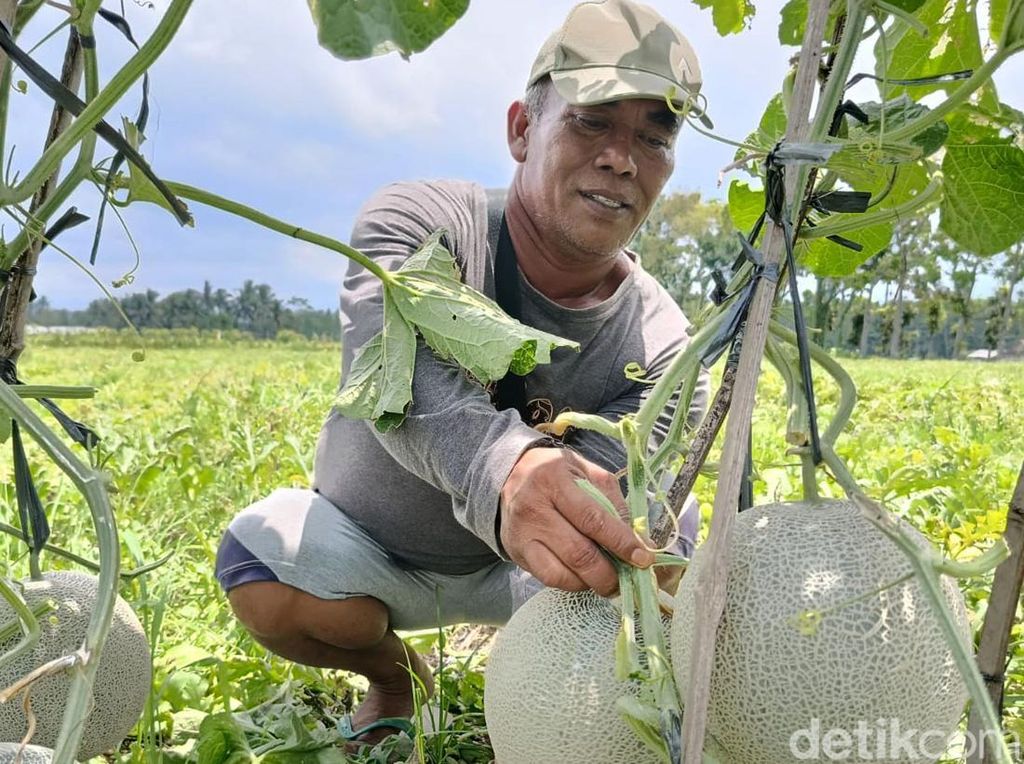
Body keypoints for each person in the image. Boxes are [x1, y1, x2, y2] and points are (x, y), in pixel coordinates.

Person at [214, 0, 709, 746]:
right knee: (262, 561)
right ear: (521, 129)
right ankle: (394, 677)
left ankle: (539, 689)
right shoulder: (419, 225)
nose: (622, 158)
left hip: (538, 581)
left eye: (654, 137)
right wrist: (510, 470)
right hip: (379, 553)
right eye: (593, 121)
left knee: (674, 535)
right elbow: (408, 383)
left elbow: (604, 508)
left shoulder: (669, 344)